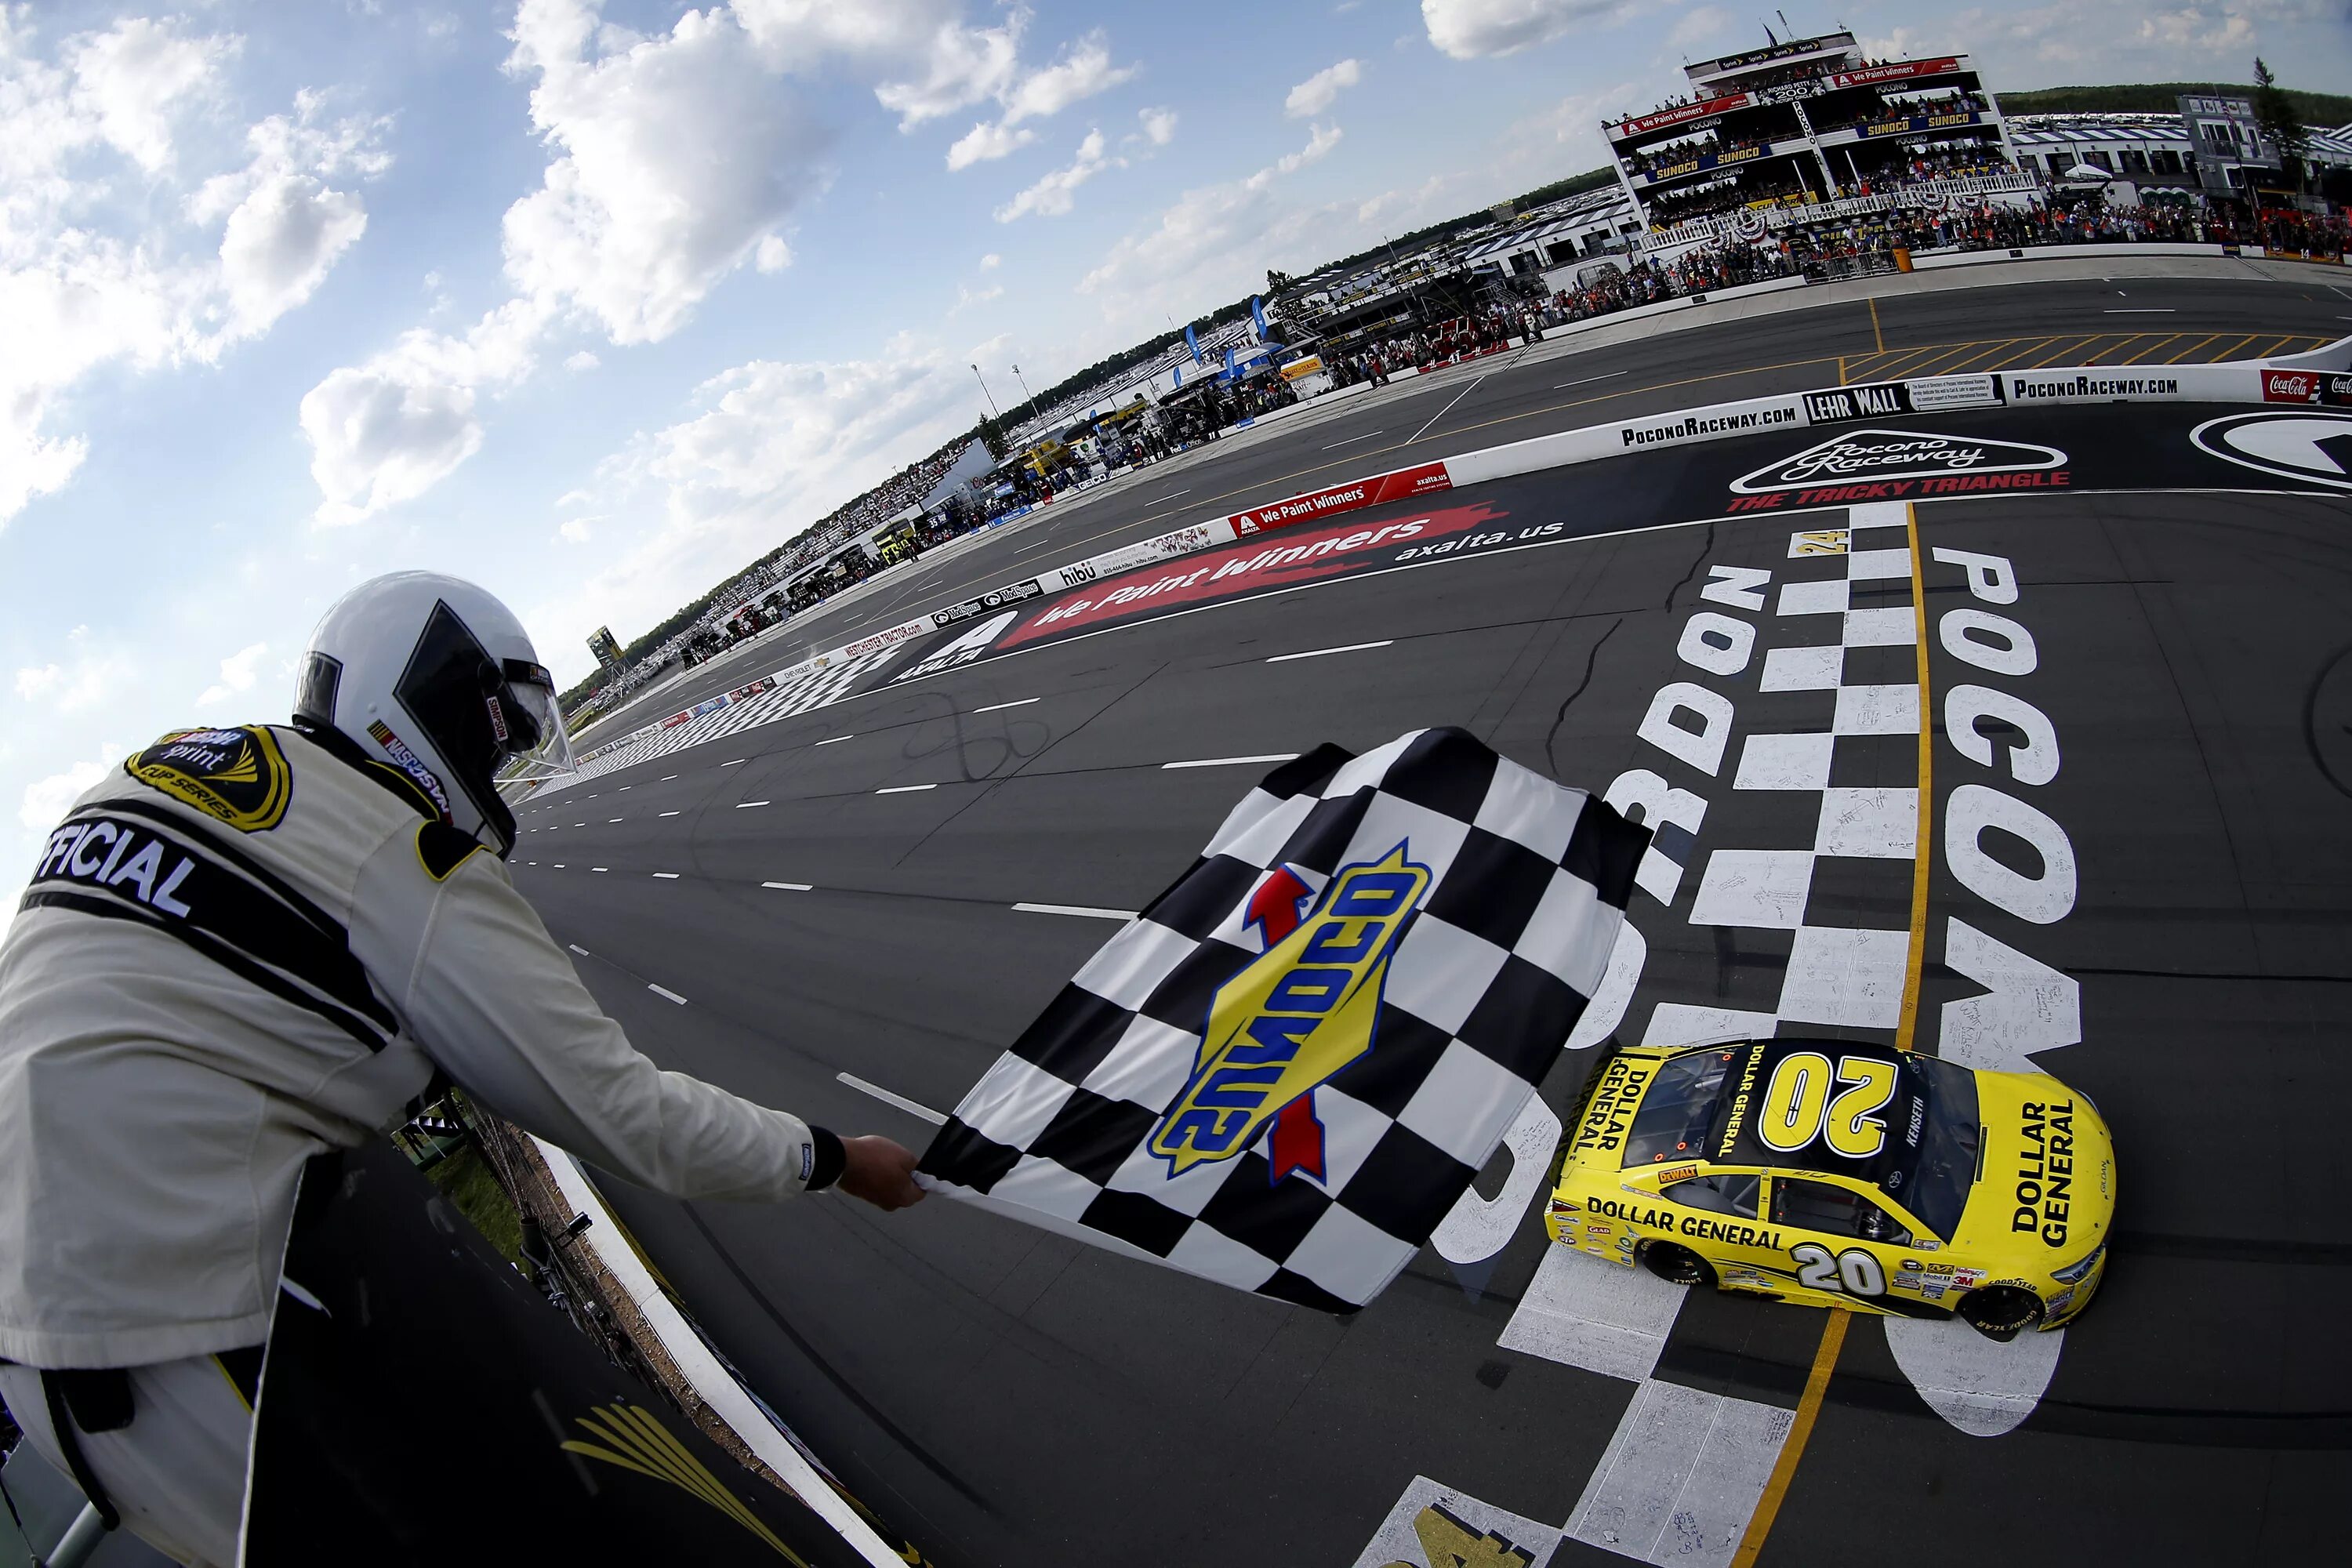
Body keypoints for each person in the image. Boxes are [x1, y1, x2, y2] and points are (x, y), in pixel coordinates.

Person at [0, 572, 924, 1567]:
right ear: (436, 703)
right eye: (499, 735)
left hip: (48, 1331)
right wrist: (831, 1156)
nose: (501, 764)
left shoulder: (153, 767)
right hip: (172, 1304)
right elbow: (627, 1113)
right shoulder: (403, 849)